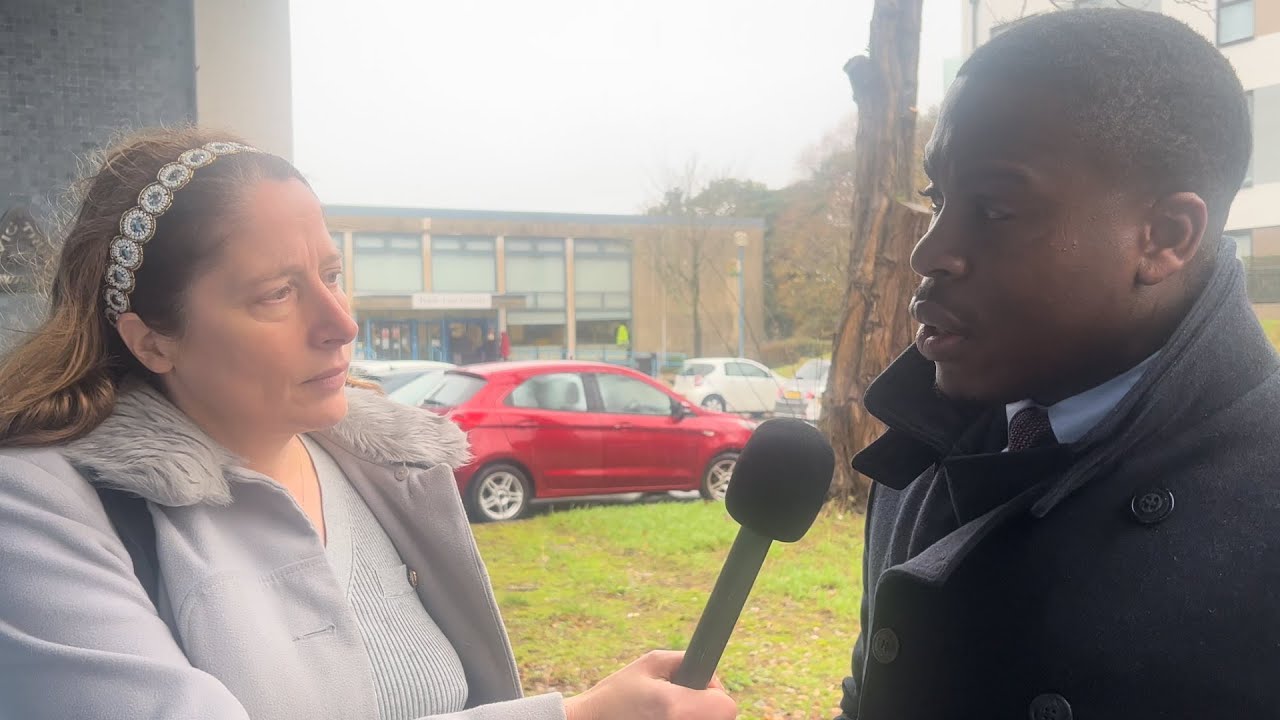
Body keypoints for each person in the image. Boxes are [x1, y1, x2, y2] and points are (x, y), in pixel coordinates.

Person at [0, 128, 737, 720]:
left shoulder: (388, 473)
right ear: (151, 339)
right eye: (276, 294)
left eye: (332, 273)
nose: (341, 323)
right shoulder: (39, 511)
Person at [837, 9, 1275, 719]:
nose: (929, 252)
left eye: (996, 209)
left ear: (1164, 237)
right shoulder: (920, 444)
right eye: (938, 199)